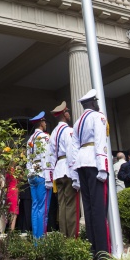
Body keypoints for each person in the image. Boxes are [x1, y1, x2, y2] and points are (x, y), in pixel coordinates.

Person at [71, 89, 110, 260]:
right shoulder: (98, 117)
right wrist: (103, 167)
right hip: (94, 161)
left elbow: (73, 149)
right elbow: (101, 141)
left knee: (88, 208)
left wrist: (74, 175)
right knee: (99, 207)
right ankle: (103, 252)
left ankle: (94, 249)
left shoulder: (78, 121)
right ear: (94, 103)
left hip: (81, 162)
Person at [48, 101, 79, 238]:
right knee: (71, 206)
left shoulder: (54, 132)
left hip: (58, 170)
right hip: (68, 169)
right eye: (68, 111)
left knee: (62, 206)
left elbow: (50, 155)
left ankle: (63, 236)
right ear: (64, 114)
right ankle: (71, 238)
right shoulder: (69, 131)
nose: (69, 114)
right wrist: (76, 174)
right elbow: (72, 153)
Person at [26, 111, 52, 239]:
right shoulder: (44, 137)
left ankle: (36, 239)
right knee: (43, 209)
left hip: (32, 173)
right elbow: (46, 157)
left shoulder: (30, 139)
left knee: (35, 207)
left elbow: (28, 159)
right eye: (45, 121)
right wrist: (49, 177)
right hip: (42, 173)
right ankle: (41, 240)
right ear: (41, 123)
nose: (45, 123)